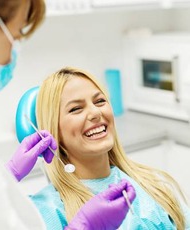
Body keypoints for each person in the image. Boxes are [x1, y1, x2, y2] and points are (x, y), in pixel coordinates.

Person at [0, 1, 136, 229]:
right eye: (17, 33)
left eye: (100, 101)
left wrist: (7, 175)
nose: (13, 51)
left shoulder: (154, 185)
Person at [26, 66, 190, 230]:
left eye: (100, 101)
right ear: (53, 131)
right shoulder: (45, 212)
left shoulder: (155, 185)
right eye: (76, 109)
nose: (95, 113)